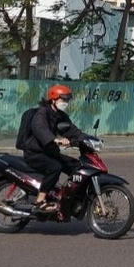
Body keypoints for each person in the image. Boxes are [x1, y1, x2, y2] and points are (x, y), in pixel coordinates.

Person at [19, 85, 84, 213]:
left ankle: (69, 197)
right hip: (35, 153)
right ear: (53, 99)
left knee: (76, 166)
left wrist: (88, 139)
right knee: (55, 167)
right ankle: (40, 201)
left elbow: (72, 130)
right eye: (63, 99)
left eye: (67, 100)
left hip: (49, 151)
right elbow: (40, 129)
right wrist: (55, 139)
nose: (66, 103)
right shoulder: (42, 113)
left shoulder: (60, 115)